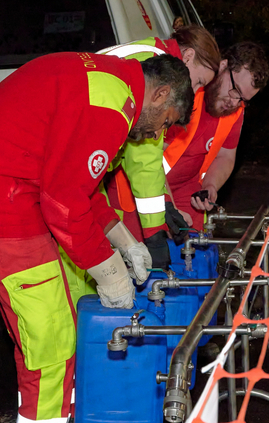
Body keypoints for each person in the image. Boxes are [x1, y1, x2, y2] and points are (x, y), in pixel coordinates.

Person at [0, 53, 194, 423]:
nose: (158, 132)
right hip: (4, 207)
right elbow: (63, 198)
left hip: (11, 193)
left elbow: (77, 183)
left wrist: (121, 237)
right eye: (165, 121)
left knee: (59, 335)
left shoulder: (109, 84)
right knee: (53, 345)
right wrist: (108, 270)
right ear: (158, 94)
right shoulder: (111, 106)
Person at [98, 26, 221, 268]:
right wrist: (154, 234)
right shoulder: (155, 70)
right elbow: (143, 158)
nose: (195, 93)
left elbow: (146, 157)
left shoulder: (153, 55)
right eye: (198, 82)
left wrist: (164, 204)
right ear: (187, 57)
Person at [163, 42, 269, 231]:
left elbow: (225, 156)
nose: (234, 102)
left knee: (194, 250)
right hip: (145, 183)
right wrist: (167, 203)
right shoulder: (187, 87)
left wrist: (211, 185)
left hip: (188, 189)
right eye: (235, 90)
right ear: (223, 66)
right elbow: (146, 158)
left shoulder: (235, 111)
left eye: (243, 99)